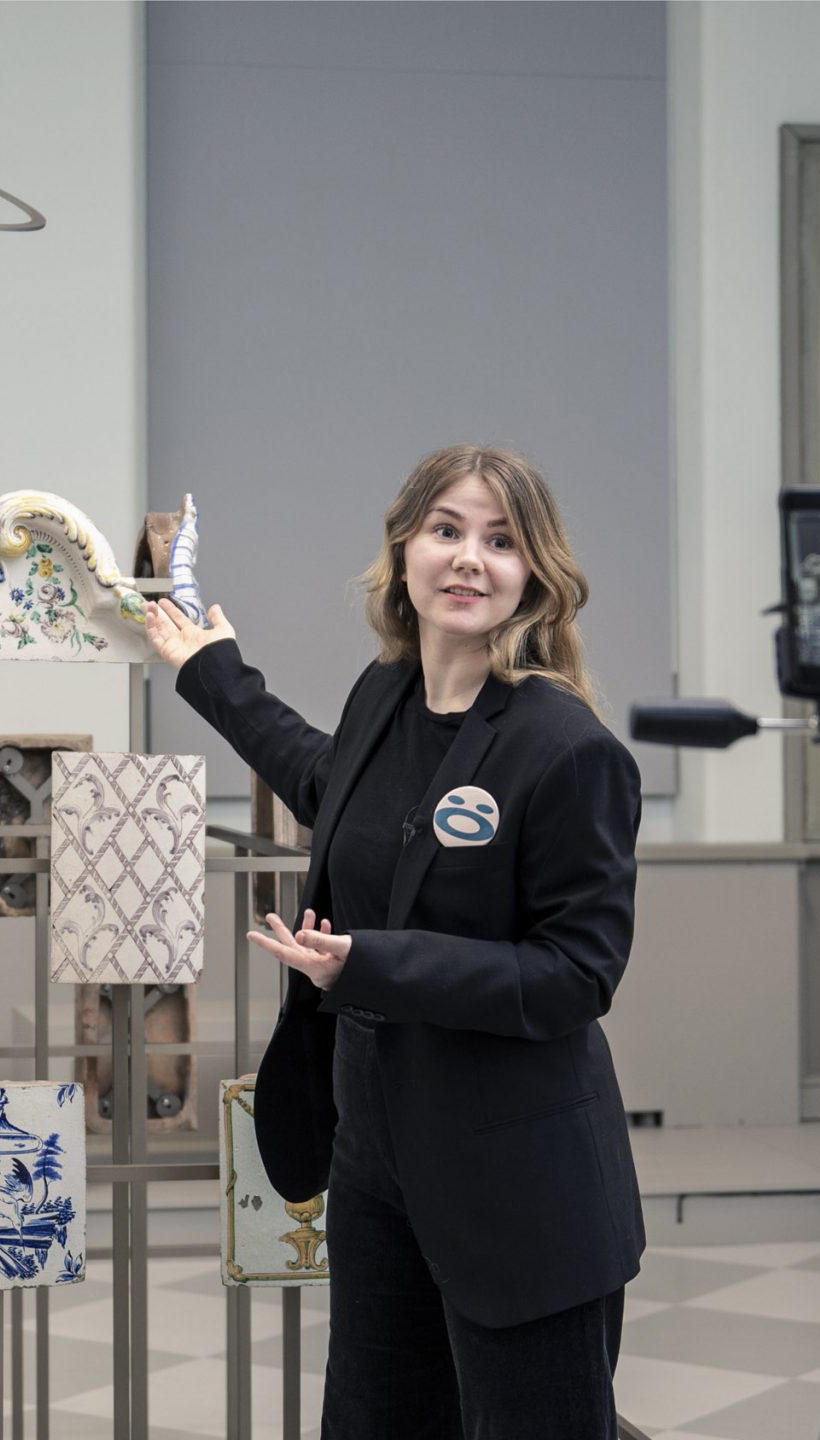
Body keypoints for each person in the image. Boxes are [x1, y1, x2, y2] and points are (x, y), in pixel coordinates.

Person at [143, 444, 645, 1439]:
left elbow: (576, 974)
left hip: (517, 1182)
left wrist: (371, 963)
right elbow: (328, 785)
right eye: (446, 530)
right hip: (377, 1161)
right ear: (403, 550)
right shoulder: (383, 698)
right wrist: (213, 672)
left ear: (534, 573)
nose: (469, 558)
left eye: (500, 541)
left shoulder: (568, 749)